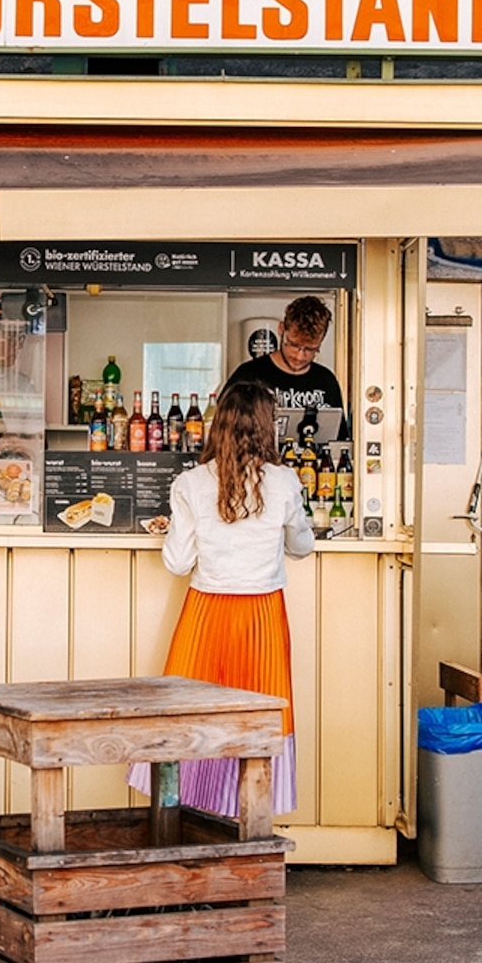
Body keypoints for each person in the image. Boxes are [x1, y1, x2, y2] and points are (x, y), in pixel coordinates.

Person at [138, 379, 315, 818]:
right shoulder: (285, 482)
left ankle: (189, 821)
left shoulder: (191, 483)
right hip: (263, 616)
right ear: (266, 428)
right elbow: (302, 546)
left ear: (217, 427)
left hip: (207, 613)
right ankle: (250, 825)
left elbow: (178, 563)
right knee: (258, 720)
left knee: (190, 717)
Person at [225, 294, 346, 431]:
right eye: (294, 345)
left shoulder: (326, 381)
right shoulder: (248, 375)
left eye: (310, 349)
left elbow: (340, 440)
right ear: (281, 329)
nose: (300, 356)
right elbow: (223, 431)